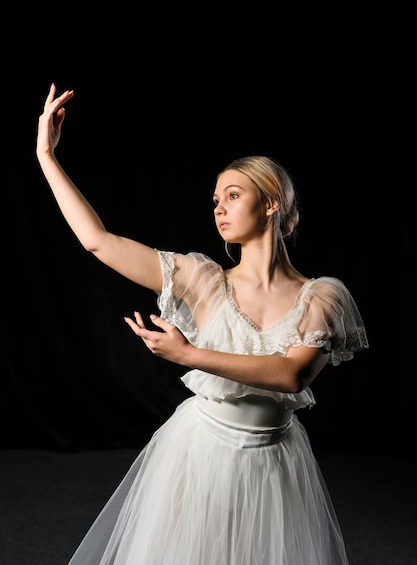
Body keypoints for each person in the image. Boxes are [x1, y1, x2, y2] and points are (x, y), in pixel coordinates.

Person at [36, 83, 368, 565]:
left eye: (233, 195)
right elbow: (98, 241)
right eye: (215, 199)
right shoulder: (203, 279)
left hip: (274, 460)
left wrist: (187, 354)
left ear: (271, 203)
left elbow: (291, 373)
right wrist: (47, 155)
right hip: (199, 450)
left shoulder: (323, 295)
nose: (219, 207)